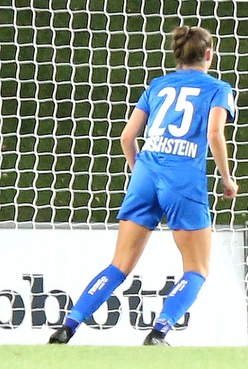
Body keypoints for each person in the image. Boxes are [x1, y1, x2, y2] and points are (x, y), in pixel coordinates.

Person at [49, 26, 238, 346]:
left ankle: (67, 327)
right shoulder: (218, 88)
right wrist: (226, 177)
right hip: (184, 179)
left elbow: (126, 137)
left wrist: (143, 175)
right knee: (198, 268)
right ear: (209, 55)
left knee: (120, 264)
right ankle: (159, 331)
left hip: (146, 174)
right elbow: (215, 134)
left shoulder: (158, 85)